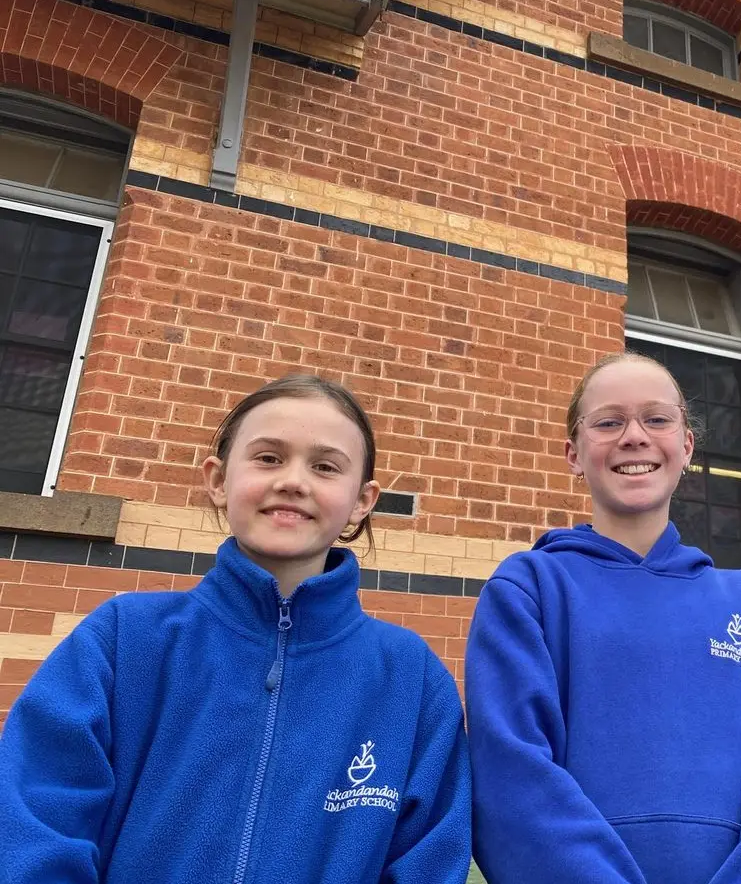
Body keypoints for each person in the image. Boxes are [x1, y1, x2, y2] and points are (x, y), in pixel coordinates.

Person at [0, 374, 473, 883]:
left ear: (362, 500)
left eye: (325, 466)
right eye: (268, 457)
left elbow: (429, 859)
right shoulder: (124, 638)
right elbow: (37, 822)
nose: (293, 480)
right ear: (218, 480)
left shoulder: (410, 676)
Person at [466, 351, 741, 884]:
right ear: (574, 453)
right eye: (608, 422)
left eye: (657, 419)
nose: (634, 436)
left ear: (687, 445)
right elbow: (512, 778)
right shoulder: (528, 591)